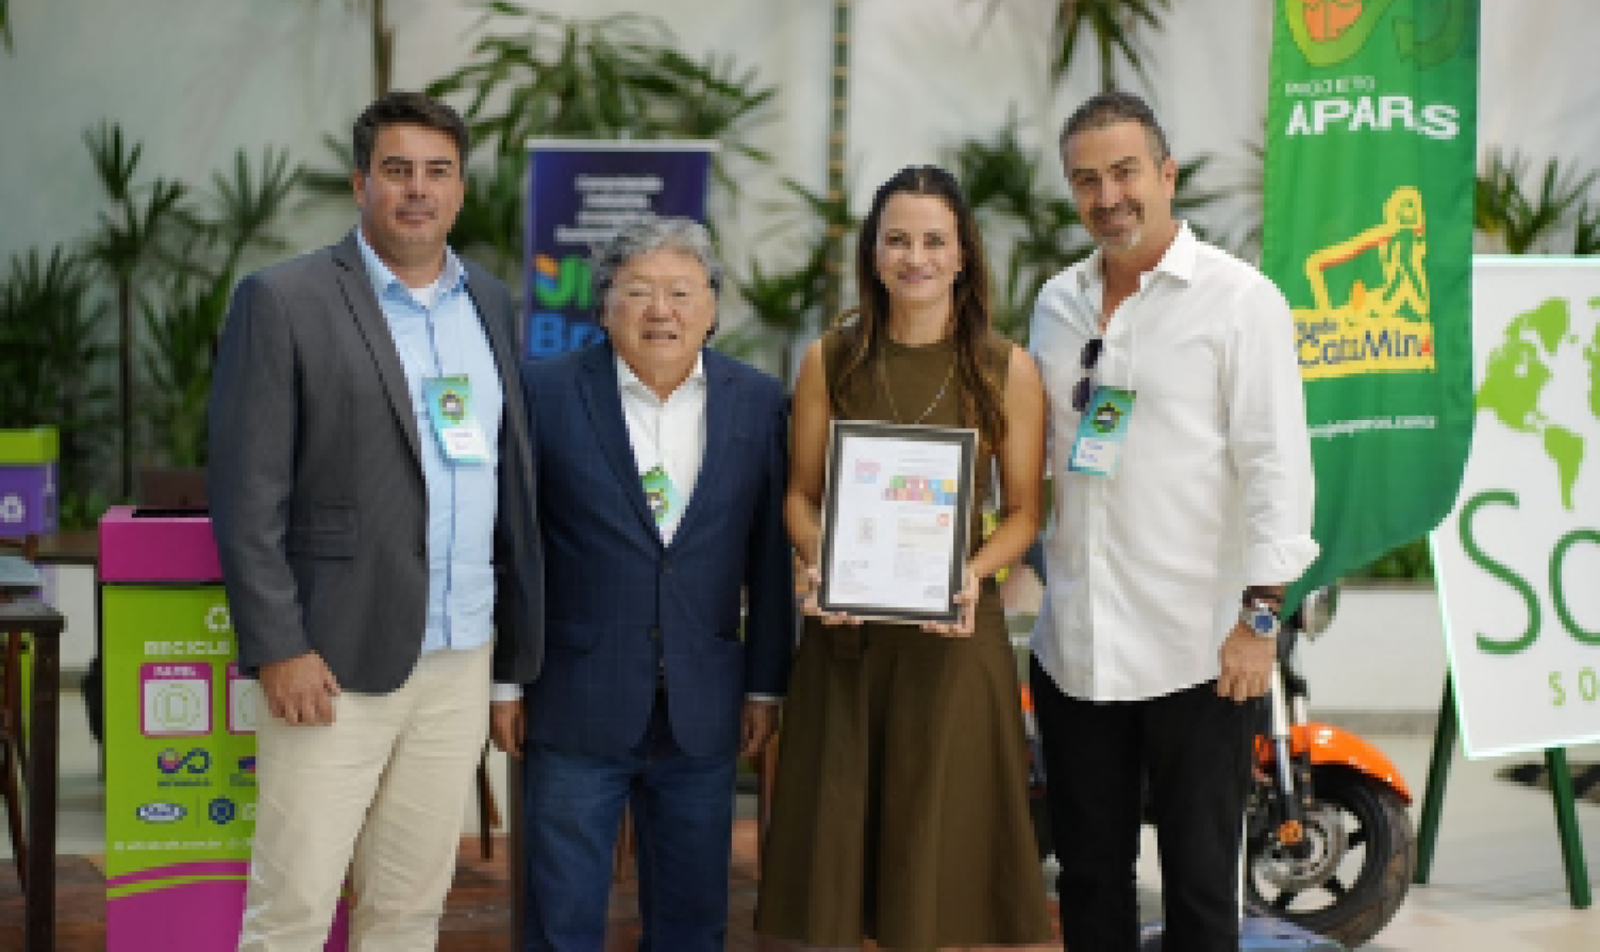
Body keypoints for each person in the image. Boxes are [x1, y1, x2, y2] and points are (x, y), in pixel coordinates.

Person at [208, 91, 543, 951]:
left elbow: (503, 479)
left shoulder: (489, 301)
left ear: (461, 189)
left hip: (459, 656)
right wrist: (278, 646)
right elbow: (247, 495)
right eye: (397, 170)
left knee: (408, 909)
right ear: (361, 184)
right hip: (331, 661)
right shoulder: (284, 300)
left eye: (438, 172)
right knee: (292, 911)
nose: (418, 190)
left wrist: (507, 658)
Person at [1028, 91, 1319, 952]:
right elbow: (1035, 456)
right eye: (1087, 180)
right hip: (1076, 646)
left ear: (1166, 174)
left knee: (1198, 886)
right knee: (1088, 878)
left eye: (1125, 173)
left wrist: (1259, 622)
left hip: (1201, 653)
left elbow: (1277, 467)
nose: (1108, 196)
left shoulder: (1240, 301)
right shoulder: (1056, 304)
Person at [755, 165, 1053, 950]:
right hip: (846, 639)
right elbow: (800, 496)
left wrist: (973, 574)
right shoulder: (831, 358)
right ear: (873, 252)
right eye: (896, 240)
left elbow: (1025, 514)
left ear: (963, 255)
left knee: (937, 865)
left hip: (951, 638)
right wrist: (822, 560)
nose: (914, 257)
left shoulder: (1006, 368)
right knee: (839, 865)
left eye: (932, 241)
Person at [489, 215, 793, 951]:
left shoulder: (757, 401)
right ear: (604, 306)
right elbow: (512, 546)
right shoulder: (542, 393)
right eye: (639, 291)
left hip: (703, 706)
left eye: (681, 292)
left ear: (712, 308)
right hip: (574, 699)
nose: (661, 310)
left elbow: (770, 559)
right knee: (561, 921)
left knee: (692, 922)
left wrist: (764, 687)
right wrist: (506, 682)